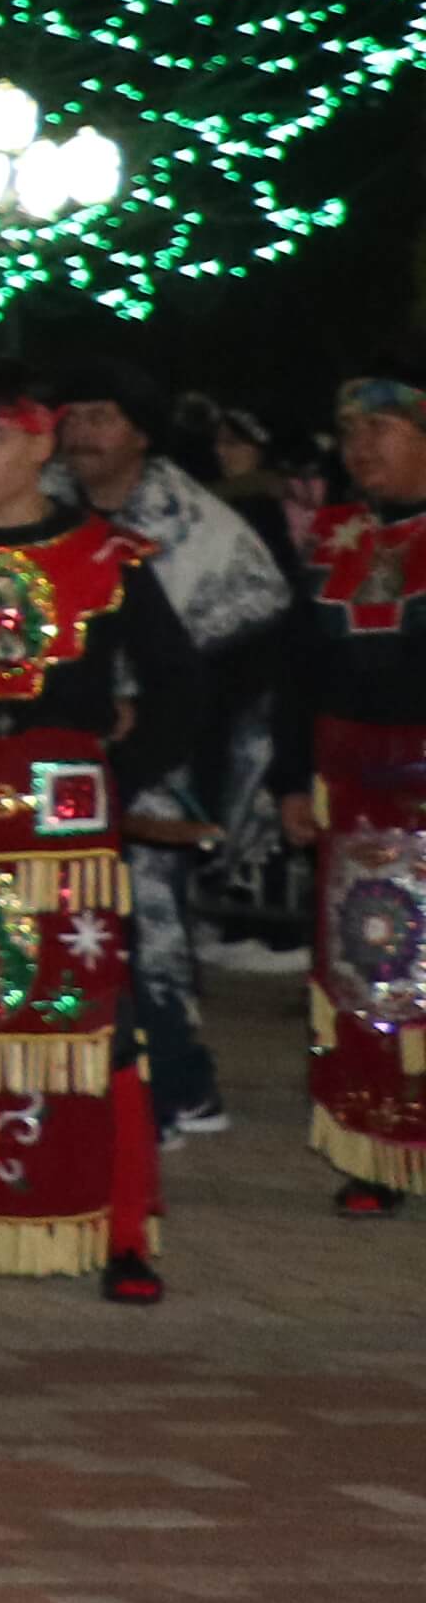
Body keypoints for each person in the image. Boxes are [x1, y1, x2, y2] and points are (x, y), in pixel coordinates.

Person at [0, 365, 201, 1302]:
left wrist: (113, 773)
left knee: (90, 1021)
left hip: (66, 835)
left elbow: (182, 686)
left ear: (40, 442)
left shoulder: (108, 555)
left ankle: (120, 1230)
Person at [57, 355, 281, 1139]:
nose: (82, 433)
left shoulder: (191, 519)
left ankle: (176, 1082)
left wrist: (152, 716)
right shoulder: (47, 499)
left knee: (146, 922)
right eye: (72, 416)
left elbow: (246, 642)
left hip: (162, 754)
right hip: (59, 747)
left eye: (102, 417)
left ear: (141, 434)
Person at [280, 370, 426, 1215]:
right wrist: (289, 780)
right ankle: (379, 1152)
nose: (359, 447)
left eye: (381, 429)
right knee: (370, 962)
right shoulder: (333, 537)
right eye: (349, 433)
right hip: (351, 790)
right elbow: (297, 671)